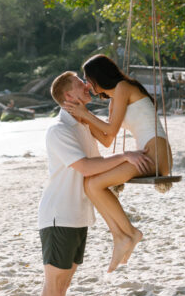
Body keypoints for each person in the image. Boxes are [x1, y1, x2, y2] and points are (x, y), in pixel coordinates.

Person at [37, 70, 152, 296]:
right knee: (54, 287)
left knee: (62, 288)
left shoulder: (81, 125)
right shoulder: (58, 130)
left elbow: (100, 155)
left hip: (77, 216)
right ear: (67, 97)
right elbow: (86, 167)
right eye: (79, 83)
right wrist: (125, 156)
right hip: (58, 215)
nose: (87, 86)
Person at [63, 54, 173, 269]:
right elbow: (106, 139)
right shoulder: (115, 100)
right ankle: (121, 236)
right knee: (90, 185)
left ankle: (129, 234)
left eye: (87, 78)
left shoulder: (123, 87)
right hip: (146, 155)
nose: (87, 84)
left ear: (98, 77)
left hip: (156, 155)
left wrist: (85, 113)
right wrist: (83, 117)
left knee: (93, 184)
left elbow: (111, 129)